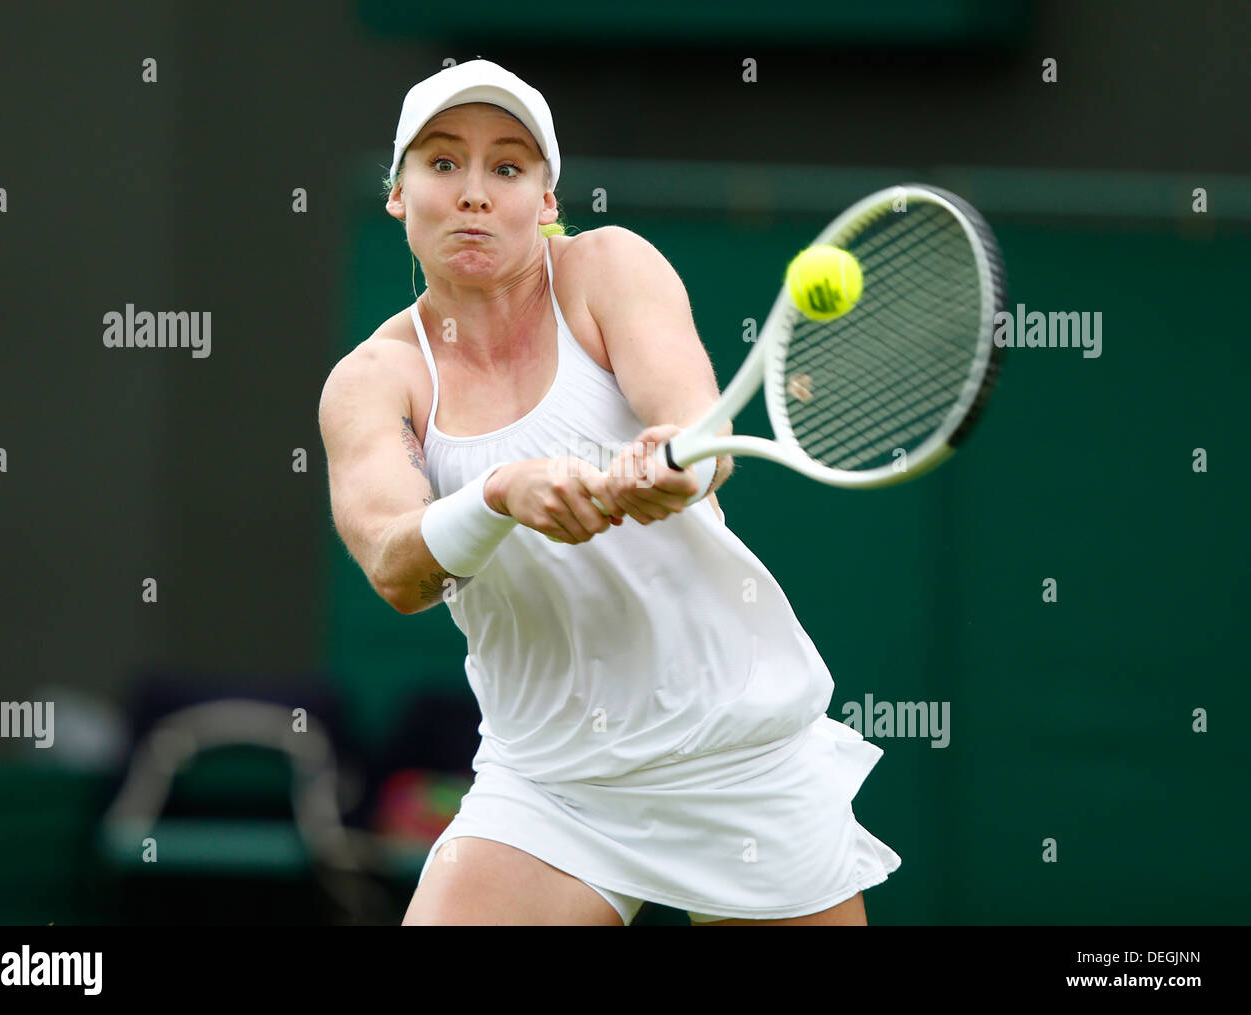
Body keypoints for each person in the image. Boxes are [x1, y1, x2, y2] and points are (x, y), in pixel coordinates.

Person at [318, 59, 901, 925]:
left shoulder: (608, 268)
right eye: (442, 163)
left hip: (734, 754)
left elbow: (697, 433)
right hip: (552, 779)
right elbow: (396, 566)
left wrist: (670, 464)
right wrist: (500, 495)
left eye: (507, 168)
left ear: (547, 202)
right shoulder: (374, 379)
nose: (474, 192)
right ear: (399, 192)